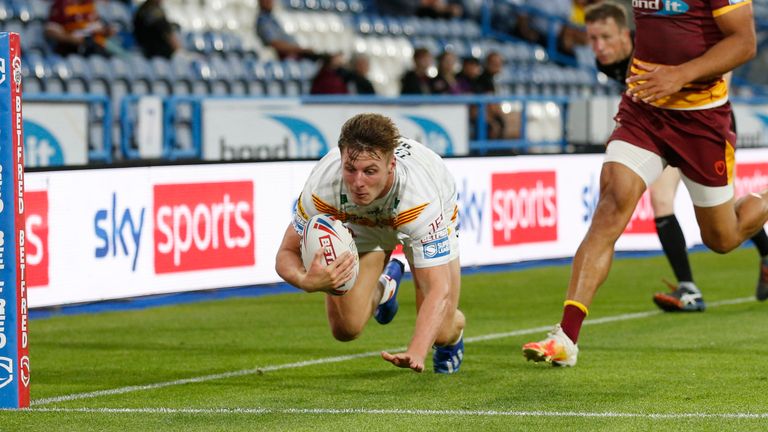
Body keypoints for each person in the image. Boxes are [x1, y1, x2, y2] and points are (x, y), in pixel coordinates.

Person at [522, 0, 765, 367]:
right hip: (645, 111)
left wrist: (681, 74)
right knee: (611, 205)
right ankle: (566, 337)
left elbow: (744, 42)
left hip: (700, 119)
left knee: (723, 238)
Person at [584, 0, 768, 311]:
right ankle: (689, 286)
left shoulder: (657, 40)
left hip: (699, 121)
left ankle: (761, 254)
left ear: (626, 34)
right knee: (663, 201)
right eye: (592, 39)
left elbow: (724, 51)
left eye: (606, 38)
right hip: (658, 123)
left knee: (722, 230)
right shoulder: (609, 62)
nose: (599, 47)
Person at [275, 113, 466, 373]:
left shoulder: (420, 198)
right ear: (341, 158)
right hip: (360, 223)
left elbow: (437, 288)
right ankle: (384, 287)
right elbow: (286, 252)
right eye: (350, 169)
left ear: (391, 166)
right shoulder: (323, 188)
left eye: (370, 171)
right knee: (345, 329)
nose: (358, 182)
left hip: (420, 213)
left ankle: (452, 340)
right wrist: (304, 281)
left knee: (440, 331)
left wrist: (416, 351)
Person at [44, 0, 117, 57]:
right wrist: (70, 38)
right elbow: (50, 31)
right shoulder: (61, 4)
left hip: (95, 45)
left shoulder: (90, 3)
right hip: (71, 49)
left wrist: (106, 31)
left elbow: (96, 26)